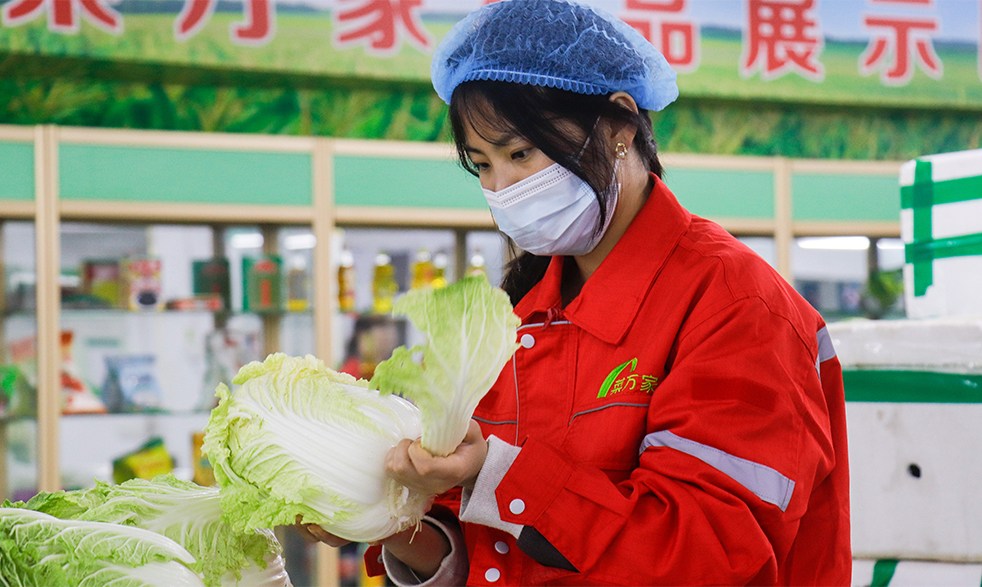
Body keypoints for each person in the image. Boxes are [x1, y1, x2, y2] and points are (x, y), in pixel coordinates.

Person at [298, 0, 851, 584]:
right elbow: (498, 556)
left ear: (619, 124)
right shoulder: (521, 317)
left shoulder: (735, 305)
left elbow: (704, 555)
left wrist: (496, 475)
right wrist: (388, 519)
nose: (502, 189)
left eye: (520, 154)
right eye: (481, 165)